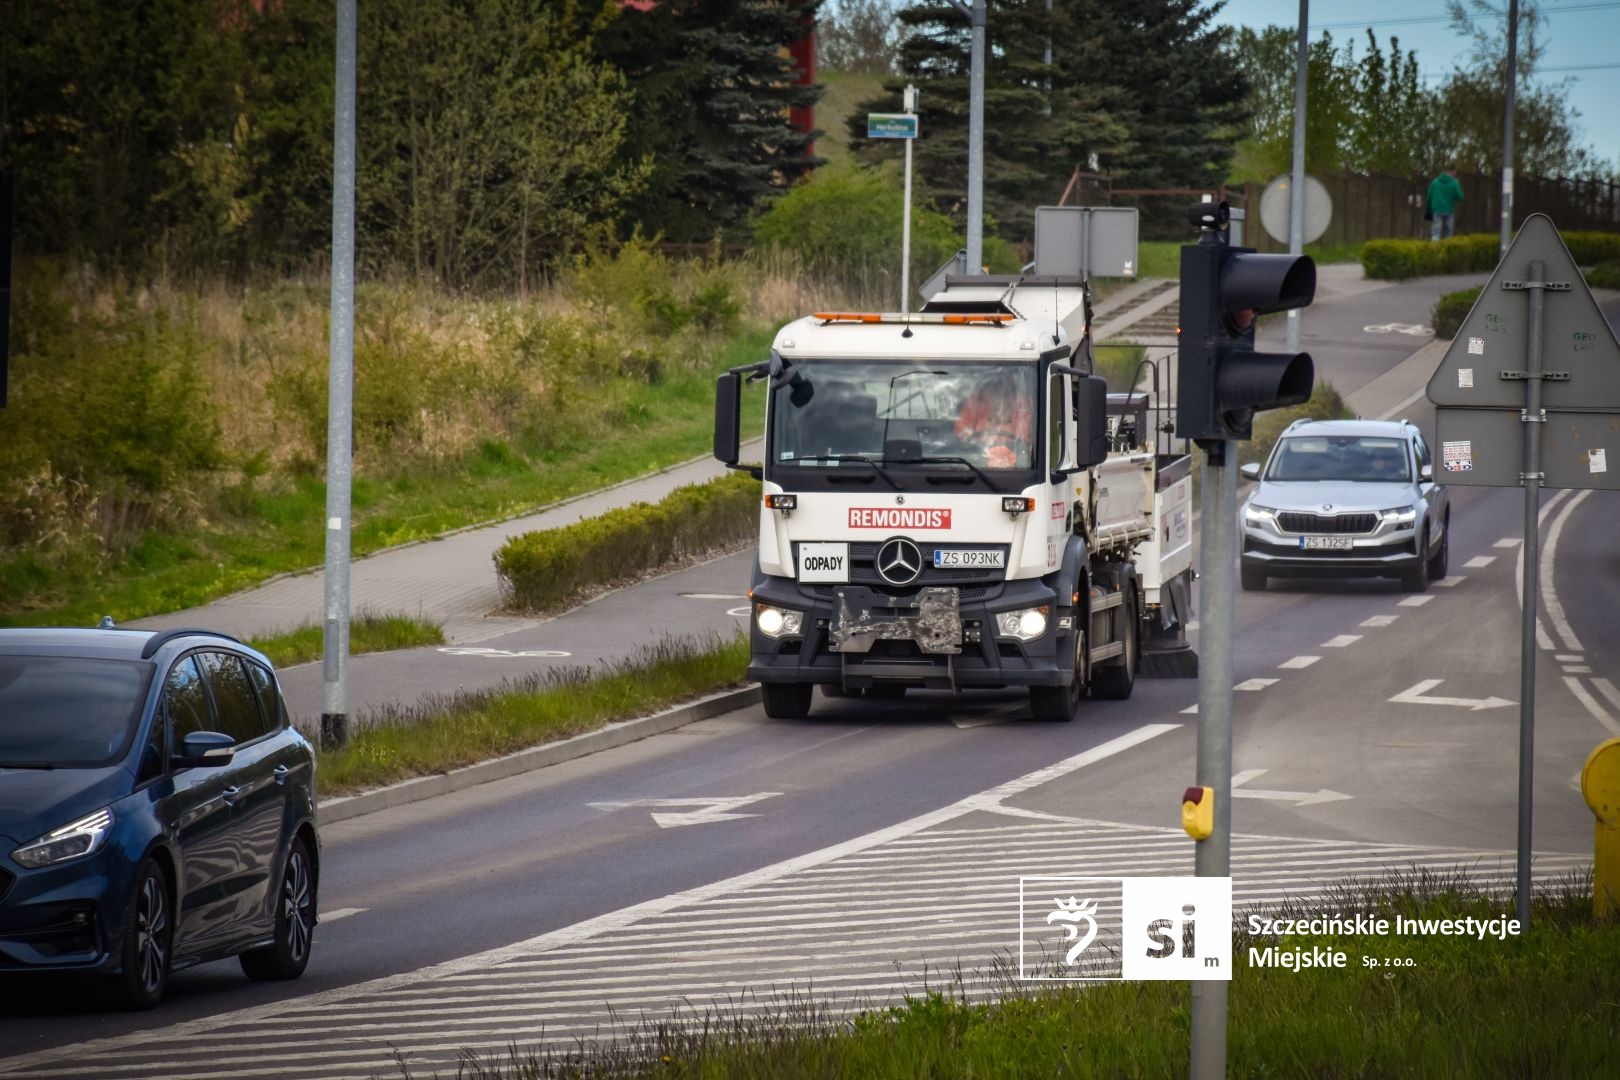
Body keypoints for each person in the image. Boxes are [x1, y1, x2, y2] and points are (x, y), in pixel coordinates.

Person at [955, 372, 1033, 469]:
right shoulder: (971, 405)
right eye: (993, 388)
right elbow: (962, 441)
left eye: (1005, 390)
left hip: (1019, 468)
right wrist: (983, 455)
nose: (999, 392)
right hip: (977, 466)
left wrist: (1012, 455)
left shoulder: (1024, 406)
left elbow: (1031, 441)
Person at [1427, 168, 1464, 241]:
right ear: (1452, 172)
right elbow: (1460, 197)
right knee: (1448, 233)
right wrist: (1458, 185)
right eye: (1455, 173)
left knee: (1435, 232)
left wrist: (1429, 210)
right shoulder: (1454, 183)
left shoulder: (1435, 182)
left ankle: (1434, 249)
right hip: (1449, 210)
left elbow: (1429, 197)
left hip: (1437, 210)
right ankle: (1447, 249)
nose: (1455, 175)